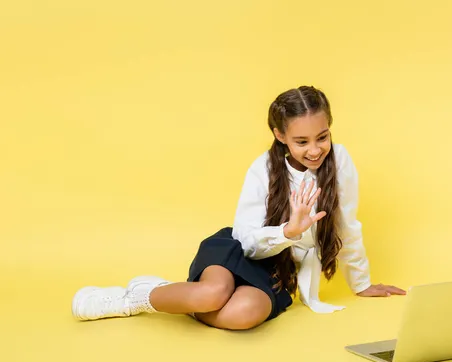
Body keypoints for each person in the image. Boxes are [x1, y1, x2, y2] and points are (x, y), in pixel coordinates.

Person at [71, 85, 405, 330]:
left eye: (323, 136)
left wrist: (361, 283)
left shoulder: (341, 161)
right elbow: (245, 238)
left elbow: (347, 224)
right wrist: (288, 232)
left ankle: (176, 295)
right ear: (280, 135)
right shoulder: (263, 168)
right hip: (239, 249)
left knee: (242, 315)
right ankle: (136, 297)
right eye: (302, 141)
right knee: (212, 294)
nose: (315, 149)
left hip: (277, 271)